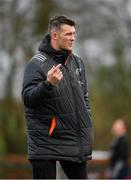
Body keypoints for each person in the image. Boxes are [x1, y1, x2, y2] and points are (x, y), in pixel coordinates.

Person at [21, 15, 93, 179]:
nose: (73, 38)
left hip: (73, 141)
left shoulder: (78, 62)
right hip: (45, 144)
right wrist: (48, 84)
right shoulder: (36, 64)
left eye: (74, 33)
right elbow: (28, 99)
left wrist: (87, 123)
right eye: (68, 34)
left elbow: (85, 100)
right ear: (55, 35)